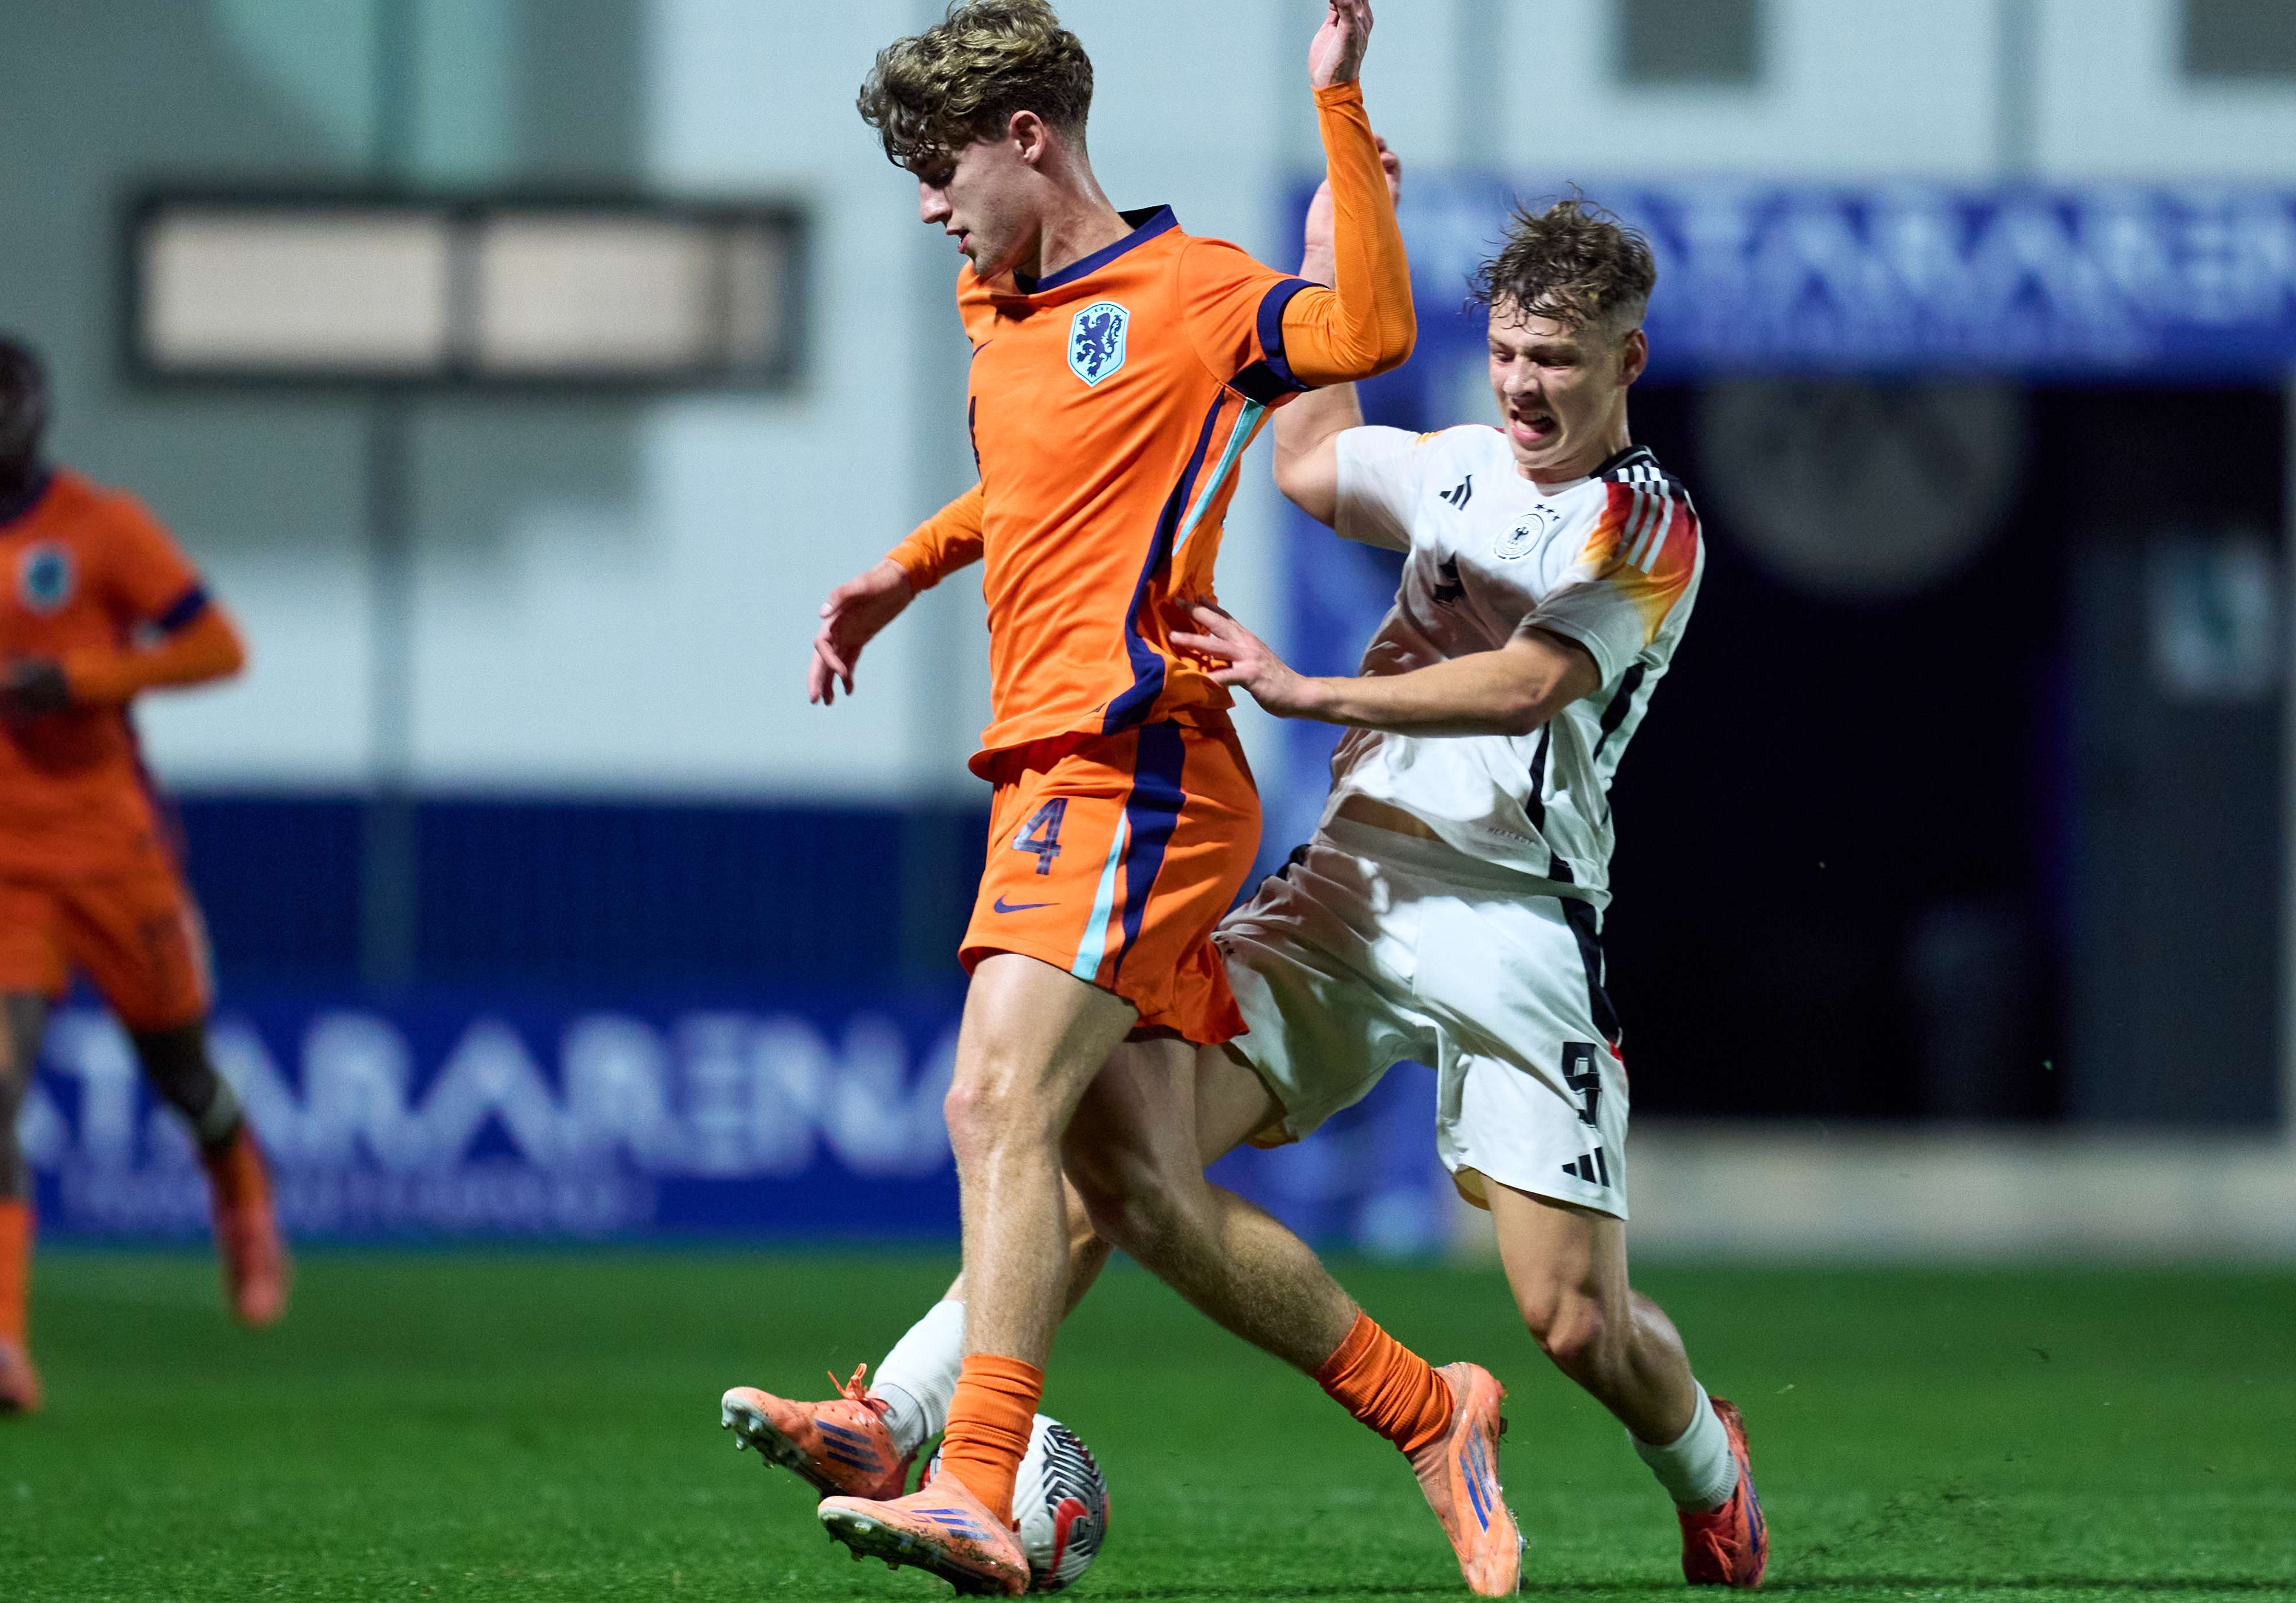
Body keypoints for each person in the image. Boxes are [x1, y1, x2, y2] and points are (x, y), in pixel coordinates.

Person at [758, 194, 1770, 1589]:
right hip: (1344, 895)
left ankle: (1709, 1474)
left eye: (1561, 360)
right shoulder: (1460, 464)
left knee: (1574, 1323)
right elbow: (1307, 456)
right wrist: (1328, 254)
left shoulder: (1645, 529)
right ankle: (903, 1421)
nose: (1528, 386)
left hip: (1516, 922)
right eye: (1510, 354)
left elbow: (1531, 683)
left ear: (1626, 363)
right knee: (1112, 1154)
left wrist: (1312, 688)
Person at [720, 0, 1522, 1595]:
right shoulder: (996, 311)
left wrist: (1341, 108)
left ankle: (966, 1471)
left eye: (943, 170)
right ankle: (1432, 1408)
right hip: (1050, 769)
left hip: (1138, 763)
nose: (933, 208)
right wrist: (903, 569)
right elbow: (1029, 486)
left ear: (1031, 138)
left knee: (989, 1103)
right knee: (1142, 1189)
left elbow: (1359, 332)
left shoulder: (1194, 293)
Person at [0, 331, 287, 1416]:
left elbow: (217, 645)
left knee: (182, 1074)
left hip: (111, 857)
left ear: (40, 403)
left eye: (6, 391)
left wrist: (83, 677)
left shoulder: (103, 528)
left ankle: (241, 1191)